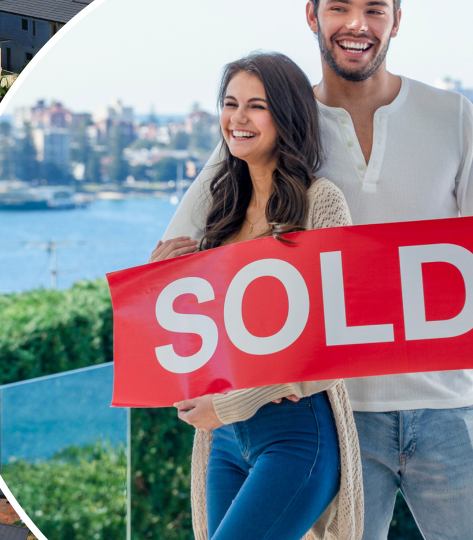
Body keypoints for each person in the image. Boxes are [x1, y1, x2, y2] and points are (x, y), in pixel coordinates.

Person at [163, 1, 473, 538]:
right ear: (312, 15)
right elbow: (182, 250)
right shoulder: (276, 117)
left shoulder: (456, 117)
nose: (356, 24)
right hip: (339, 414)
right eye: (339, 7)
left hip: (451, 406)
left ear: (397, 20)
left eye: (374, 9)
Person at [155, 52, 361, 540]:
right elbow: (198, 336)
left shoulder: (321, 202)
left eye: (256, 106)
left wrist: (230, 406)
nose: (238, 119)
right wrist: (160, 281)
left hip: (294, 433)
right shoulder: (220, 209)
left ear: (286, 116)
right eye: (230, 104)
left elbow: (339, 338)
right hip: (221, 439)